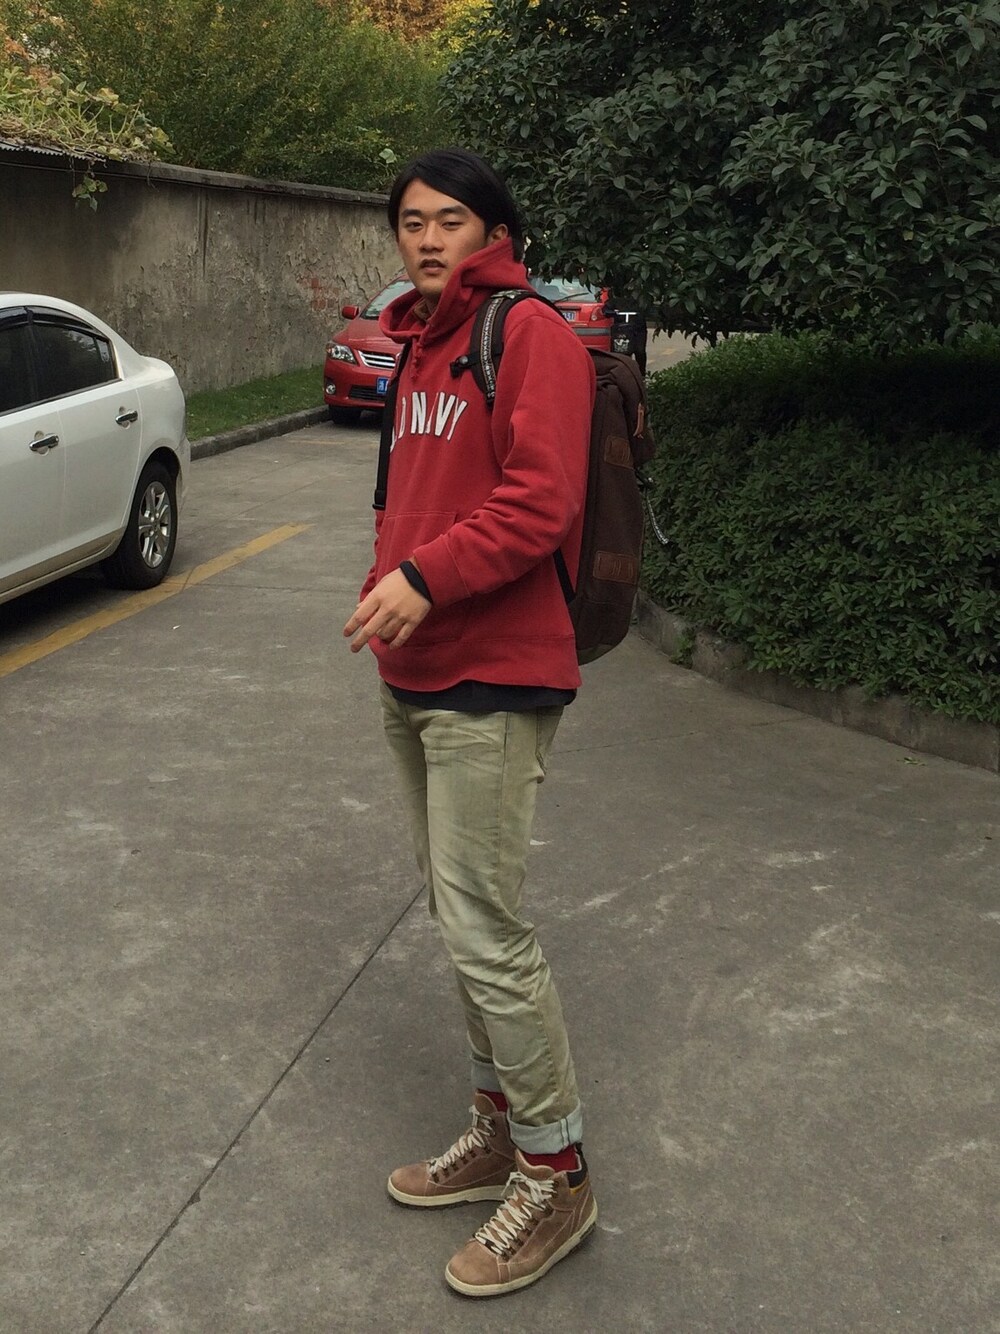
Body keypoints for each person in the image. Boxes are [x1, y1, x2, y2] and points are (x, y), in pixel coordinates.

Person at [343, 147, 597, 1298]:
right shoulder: (420, 343)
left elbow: (542, 502)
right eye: (410, 221)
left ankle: (557, 1168)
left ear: (493, 229)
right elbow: (410, 499)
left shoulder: (528, 332)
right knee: (458, 917)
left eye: (449, 219)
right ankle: (499, 1127)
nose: (427, 237)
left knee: (487, 927)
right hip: (414, 672)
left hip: (494, 674)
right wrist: (386, 581)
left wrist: (423, 579)